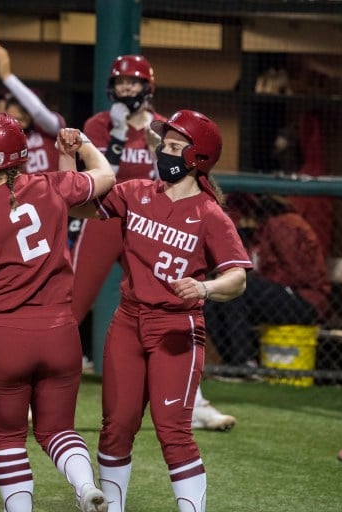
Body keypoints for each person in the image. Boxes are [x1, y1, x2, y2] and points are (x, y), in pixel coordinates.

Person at [70, 109, 252, 511]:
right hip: (128, 321)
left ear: (197, 158)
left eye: (173, 147)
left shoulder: (210, 214)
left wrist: (204, 287)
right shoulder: (135, 192)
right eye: (164, 146)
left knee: (173, 433)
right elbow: (79, 208)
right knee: (116, 427)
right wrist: (77, 155)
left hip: (177, 327)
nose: (162, 153)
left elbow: (237, 278)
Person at [0, 112, 114, 512]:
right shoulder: (51, 186)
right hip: (61, 333)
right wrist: (80, 145)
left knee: (7, 436)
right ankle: (86, 486)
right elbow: (105, 176)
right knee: (57, 429)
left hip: (6, 338)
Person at [74, 54, 235, 430]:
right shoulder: (98, 124)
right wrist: (114, 138)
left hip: (149, 223)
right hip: (106, 220)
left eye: (132, 82)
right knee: (72, 306)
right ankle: (42, 394)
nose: (126, 88)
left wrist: (155, 149)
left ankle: (193, 404)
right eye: (120, 82)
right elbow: (98, 181)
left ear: (147, 86)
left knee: (174, 305)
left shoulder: (165, 131)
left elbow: (171, 181)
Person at [205, 192, 331, 367]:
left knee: (242, 286)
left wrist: (261, 280)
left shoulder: (282, 224)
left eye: (241, 214)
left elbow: (298, 275)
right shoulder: (255, 235)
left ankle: (245, 362)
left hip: (305, 300)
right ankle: (232, 363)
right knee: (212, 298)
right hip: (277, 297)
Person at [0, 43, 64, 174]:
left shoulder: (47, 130)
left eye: (22, 116)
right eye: (13, 118)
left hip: (53, 191)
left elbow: (39, 112)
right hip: (21, 193)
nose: (18, 121)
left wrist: (8, 77)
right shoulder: (6, 138)